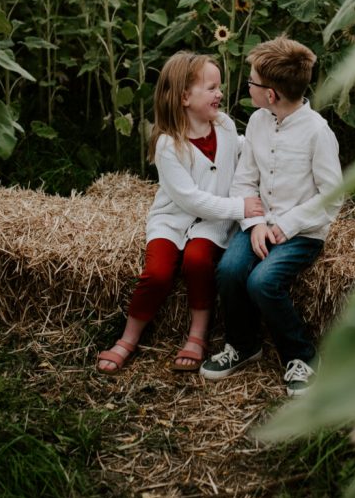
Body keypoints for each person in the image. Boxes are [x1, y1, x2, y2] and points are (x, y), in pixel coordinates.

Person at [97, 52, 264, 374]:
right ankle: (128, 338)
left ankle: (197, 334)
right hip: (172, 221)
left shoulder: (225, 126)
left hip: (213, 223)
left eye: (219, 87)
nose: (220, 94)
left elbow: (241, 149)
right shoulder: (168, 145)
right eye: (212, 88)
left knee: (198, 261)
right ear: (185, 97)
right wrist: (238, 208)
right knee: (157, 273)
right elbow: (190, 200)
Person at [199, 35, 343, 397]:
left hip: (303, 230)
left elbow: (332, 196)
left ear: (272, 94)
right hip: (260, 223)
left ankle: (302, 355)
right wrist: (255, 224)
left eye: (251, 82)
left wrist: (285, 225)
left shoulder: (317, 132)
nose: (247, 86)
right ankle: (243, 344)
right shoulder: (258, 122)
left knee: (262, 282)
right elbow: (245, 179)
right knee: (230, 270)